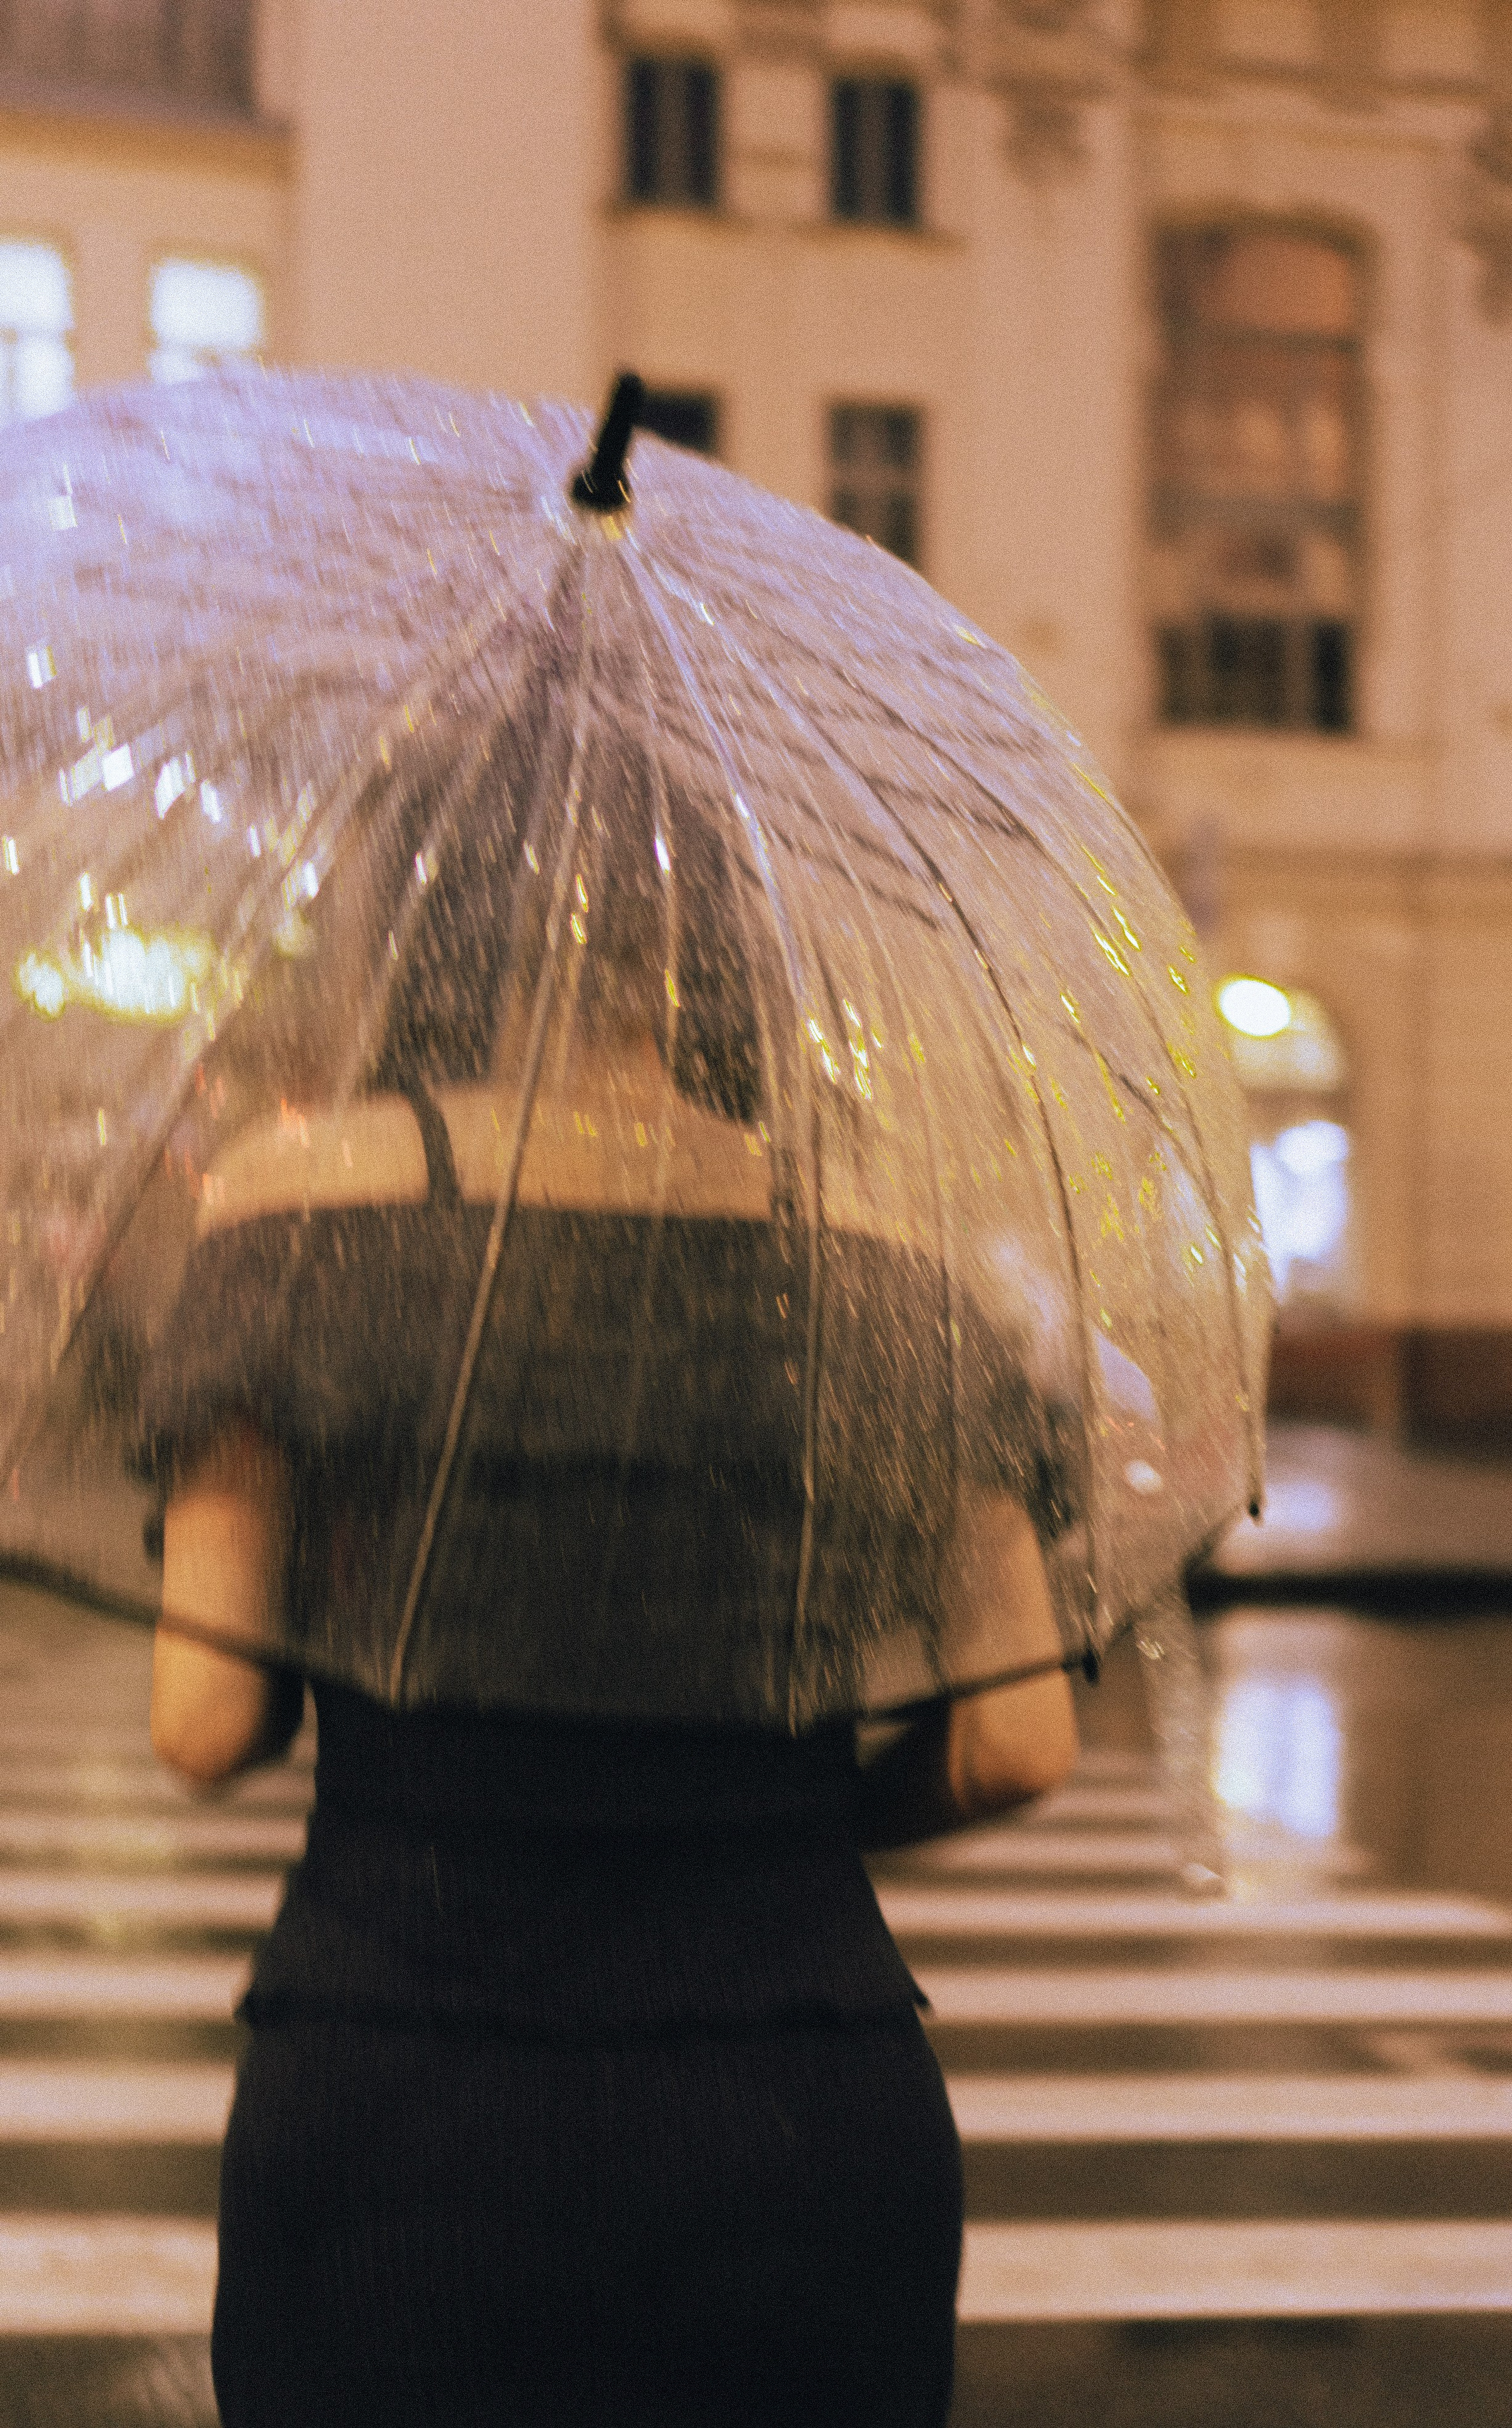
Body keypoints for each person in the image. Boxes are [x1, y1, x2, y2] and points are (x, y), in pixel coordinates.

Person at [143, 728, 1080, 2428]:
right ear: (705, 949)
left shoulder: (292, 1217)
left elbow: (208, 1719)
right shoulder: (885, 1251)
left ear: (432, 927)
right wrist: (776, 1826)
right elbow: (1019, 1738)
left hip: (406, 2090)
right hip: (805, 2094)